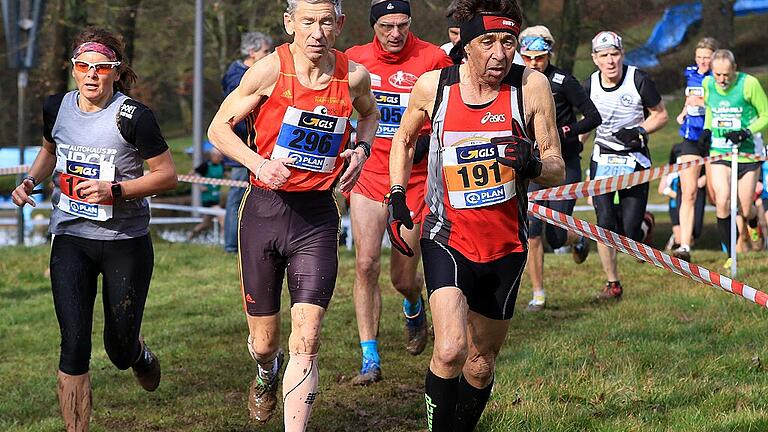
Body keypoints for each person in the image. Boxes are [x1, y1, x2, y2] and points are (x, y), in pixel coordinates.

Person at [387, 0, 564, 429]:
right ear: (466, 45)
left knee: (481, 363)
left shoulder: (531, 86)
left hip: (506, 245)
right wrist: (397, 195)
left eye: (509, 42)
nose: (501, 55)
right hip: (447, 237)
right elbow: (403, 139)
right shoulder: (435, 87)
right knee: (449, 349)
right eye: (488, 42)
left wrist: (533, 164)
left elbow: (556, 165)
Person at [207, 0, 378, 429]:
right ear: (290, 24)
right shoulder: (269, 70)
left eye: (325, 22)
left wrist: (362, 150)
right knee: (265, 343)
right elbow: (217, 128)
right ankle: (266, 371)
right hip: (264, 210)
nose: (316, 32)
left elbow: (371, 115)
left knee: (308, 336)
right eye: (307, 22)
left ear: (339, 25)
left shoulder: (353, 75)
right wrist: (258, 163)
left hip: (317, 216)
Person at [11, 27, 177, 432]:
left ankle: (137, 353)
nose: (91, 74)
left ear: (116, 73)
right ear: (73, 70)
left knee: (117, 348)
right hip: (70, 238)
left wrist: (114, 190)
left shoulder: (134, 117)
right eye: (83, 66)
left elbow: (167, 176)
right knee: (74, 345)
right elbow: (51, 150)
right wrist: (31, 180)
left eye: (101, 68)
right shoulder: (56, 107)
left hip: (125, 242)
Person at [344, 0, 452, 386]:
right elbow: (337, 108)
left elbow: (452, 110)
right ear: (373, 25)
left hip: (415, 179)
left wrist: (428, 142)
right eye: (386, 26)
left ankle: (412, 303)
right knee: (365, 264)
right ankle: (369, 358)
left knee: (401, 277)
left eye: (402, 25)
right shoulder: (354, 60)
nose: (394, 34)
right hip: (370, 175)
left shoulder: (433, 57)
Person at [517, 25, 601, 312]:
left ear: (549, 54)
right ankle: (538, 294)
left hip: (564, 164)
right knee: (532, 231)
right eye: (527, 58)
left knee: (556, 233)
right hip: (533, 167)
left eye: (539, 58)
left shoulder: (565, 80)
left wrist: (566, 130)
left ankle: (579, 237)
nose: (533, 63)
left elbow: (593, 117)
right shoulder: (516, 81)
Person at [583, 30, 668, 300]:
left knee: (629, 234)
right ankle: (613, 283)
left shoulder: (638, 79)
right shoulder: (589, 86)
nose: (610, 61)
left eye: (615, 54)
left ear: (622, 55)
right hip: (603, 157)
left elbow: (661, 115)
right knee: (603, 222)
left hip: (634, 158)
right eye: (604, 55)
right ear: (595, 59)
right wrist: (572, 143)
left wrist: (640, 131)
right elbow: (585, 124)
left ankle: (643, 226)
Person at [700, 49, 768, 268]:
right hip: (720, 151)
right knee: (723, 200)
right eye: (717, 74)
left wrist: (747, 131)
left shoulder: (749, 84)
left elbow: (766, 114)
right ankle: (732, 254)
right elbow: (711, 110)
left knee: (745, 208)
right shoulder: (708, 84)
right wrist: (707, 129)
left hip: (748, 152)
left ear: (734, 70)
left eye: (726, 75)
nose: (721, 80)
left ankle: (754, 223)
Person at [221, 31, 274, 253]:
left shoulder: (251, 72)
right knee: (236, 198)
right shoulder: (238, 77)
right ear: (252, 52)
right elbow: (237, 116)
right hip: (242, 149)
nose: (270, 55)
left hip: (257, 147)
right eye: (265, 52)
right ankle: (232, 246)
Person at [671, 37, 718, 262]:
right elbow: (689, 97)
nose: (702, 62)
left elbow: (722, 103)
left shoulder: (720, 76)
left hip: (715, 139)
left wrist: (703, 103)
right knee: (688, 191)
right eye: (699, 57)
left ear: (715, 58)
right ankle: (685, 246)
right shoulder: (690, 72)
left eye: (707, 58)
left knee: (718, 196)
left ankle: (741, 242)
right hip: (690, 138)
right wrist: (684, 111)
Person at [658, 142, 707, 251]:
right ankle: (679, 244)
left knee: (695, 233)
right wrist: (674, 195)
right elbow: (661, 189)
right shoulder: (670, 170)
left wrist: (704, 179)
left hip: (694, 198)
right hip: (675, 203)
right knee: (682, 237)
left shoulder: (697, 169)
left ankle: (683, 245)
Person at [188, 146, 225, 240]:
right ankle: (224, 242)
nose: (220, 158)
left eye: (221, 156)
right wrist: (200, 185)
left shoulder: (222, 164)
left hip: (216, 198)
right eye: (218, 156)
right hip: (207, 199)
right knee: (223, 218)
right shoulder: (205, 165)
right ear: (212, 156)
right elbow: (190, 175)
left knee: (205, 224)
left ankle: (189, 237)